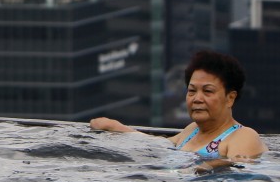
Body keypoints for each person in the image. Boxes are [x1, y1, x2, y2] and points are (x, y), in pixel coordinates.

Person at [89, 50, 266, 166]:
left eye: (207, 91)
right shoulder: (192, 130)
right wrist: (115, 127)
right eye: (191, 91)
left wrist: (201, 168)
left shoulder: (243, 136)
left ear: (230, 98)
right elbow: (157, 143)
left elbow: (238, 167)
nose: (197, 99)